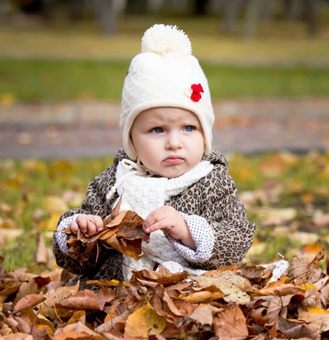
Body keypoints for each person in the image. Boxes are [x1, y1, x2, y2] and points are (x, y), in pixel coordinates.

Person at [53, 24, 256, 282]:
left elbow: (236, 241)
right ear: (132, 140)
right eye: (157, 130)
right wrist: (79, 233)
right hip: (116, 292)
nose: (174, 142)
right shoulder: (115, 183)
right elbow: (77, 264)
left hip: (187, 290)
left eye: (189, 128)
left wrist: (187, 229)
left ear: (205, 134)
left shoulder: (211, 181)